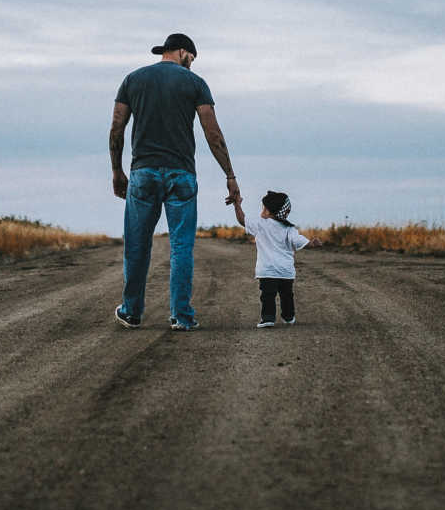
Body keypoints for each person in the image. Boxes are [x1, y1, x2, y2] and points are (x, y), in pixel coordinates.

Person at [110, 32, 241, 331]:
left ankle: (131, 311)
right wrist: (230, 175)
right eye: (191, 59)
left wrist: (117, 171)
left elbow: (117, 127)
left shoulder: (133, 79)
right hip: (181, 174)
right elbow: (213, 134)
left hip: (142, 172)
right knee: (181, 247)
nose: (191, 65)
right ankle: (181, 316)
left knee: (137, 246)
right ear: (182, 52)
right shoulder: (194, 83)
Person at [235, 190, 319, 327]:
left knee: (267, 295)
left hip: (267, 270)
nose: (262, 210)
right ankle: (288, 317)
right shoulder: (289, 229)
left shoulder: (261, 224)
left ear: (270, 211)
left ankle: (268, 318)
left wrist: (237, 205)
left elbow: (242, 220)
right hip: (285, 271)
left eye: (264, 208)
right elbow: (298, 240)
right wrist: (310, 243)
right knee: (287, 295)